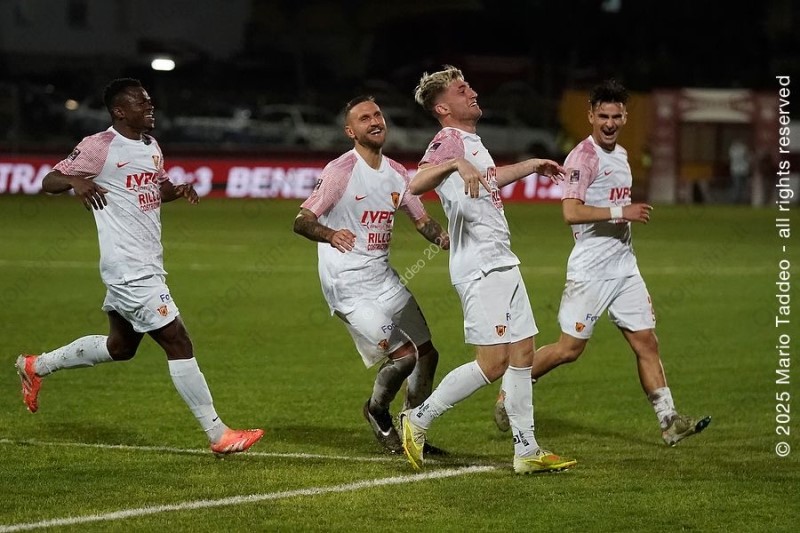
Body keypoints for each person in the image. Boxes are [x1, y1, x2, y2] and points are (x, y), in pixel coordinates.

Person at [15, 78, 264, 456]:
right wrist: (74, 181)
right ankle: (218, 434)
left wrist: (176, 190)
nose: (150, 108)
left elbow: (154, 188)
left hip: (146, 262)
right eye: (142, 103)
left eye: (149, 102)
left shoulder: (151, 146)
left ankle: (36, 366)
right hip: (129, 267)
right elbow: (51, 180)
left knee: (120, 347)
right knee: (177, 341)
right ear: (119, 111)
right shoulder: (99, 146)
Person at [493, 79, 711, 447]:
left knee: (647, 343)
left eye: (616, 116)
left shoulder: (622, 155)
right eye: (603, 116)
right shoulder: (583, 157)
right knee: (569, 350)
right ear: (591, 116)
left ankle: (669, 421)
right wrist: (620, 211)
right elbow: (571, 212)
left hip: (625, 267)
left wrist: (620, 215)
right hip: (590, 270)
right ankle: (510, 389)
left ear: (625, 117)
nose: (610, 123)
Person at [398, 64, 576, 474]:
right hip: (479, 265)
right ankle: (417, 418)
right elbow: (416, 184)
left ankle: (527, 450)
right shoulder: (448, 140)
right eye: (462, 90)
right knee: (493, 362)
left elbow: (489, 179)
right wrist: (454, 164)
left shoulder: (471, 143)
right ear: (443, 108)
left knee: (523, 353)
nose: (473, 93)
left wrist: (531, 165)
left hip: (501, 260)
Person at [293, 95, 450, 455]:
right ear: (351, 131)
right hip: (347, 285)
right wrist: (330, 234)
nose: (375, 121)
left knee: (428, 355)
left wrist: (442, 237)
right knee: (405, 356)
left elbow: (421, 220)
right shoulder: (341, 171)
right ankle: (377, 412)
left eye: (377, 114)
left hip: (383, 279)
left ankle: (413, 430)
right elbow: (301, 220)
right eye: (364, 118)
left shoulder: (396, 172)